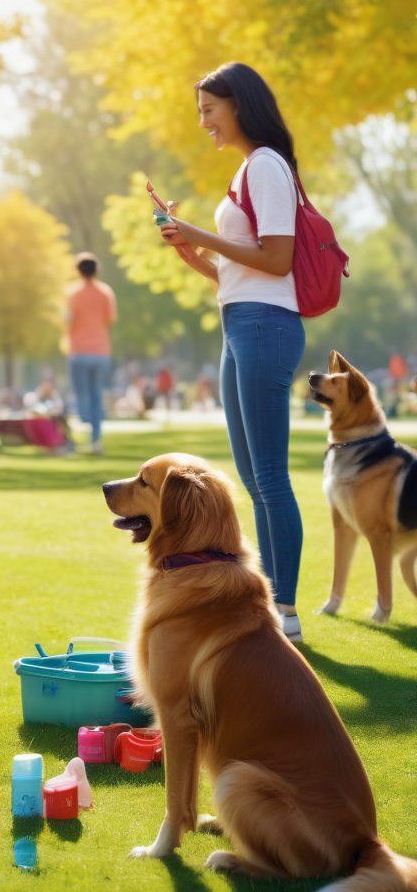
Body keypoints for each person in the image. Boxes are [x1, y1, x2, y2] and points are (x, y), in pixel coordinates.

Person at [156, 62, 306, 642]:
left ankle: (284, 610)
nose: (204, 123)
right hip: (241, 320)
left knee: (269, 476)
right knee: (252, 476)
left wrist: (198, 232)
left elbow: (278, 260)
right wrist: (190, 252)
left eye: (209, 110)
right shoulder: (248, 169)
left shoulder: (266, 165)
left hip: (266, 326)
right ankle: (271, 605)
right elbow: (239, 275)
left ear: (238, 105)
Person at [66, 252, 117, 454]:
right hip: (100, 352)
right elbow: (110, 319)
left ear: (78, 271)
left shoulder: (73, 293)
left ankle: (85, 420)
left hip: (78, 351)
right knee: (96, 395)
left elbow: (68, 321)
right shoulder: (105, 292)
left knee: (82, 395)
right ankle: (96, 439)